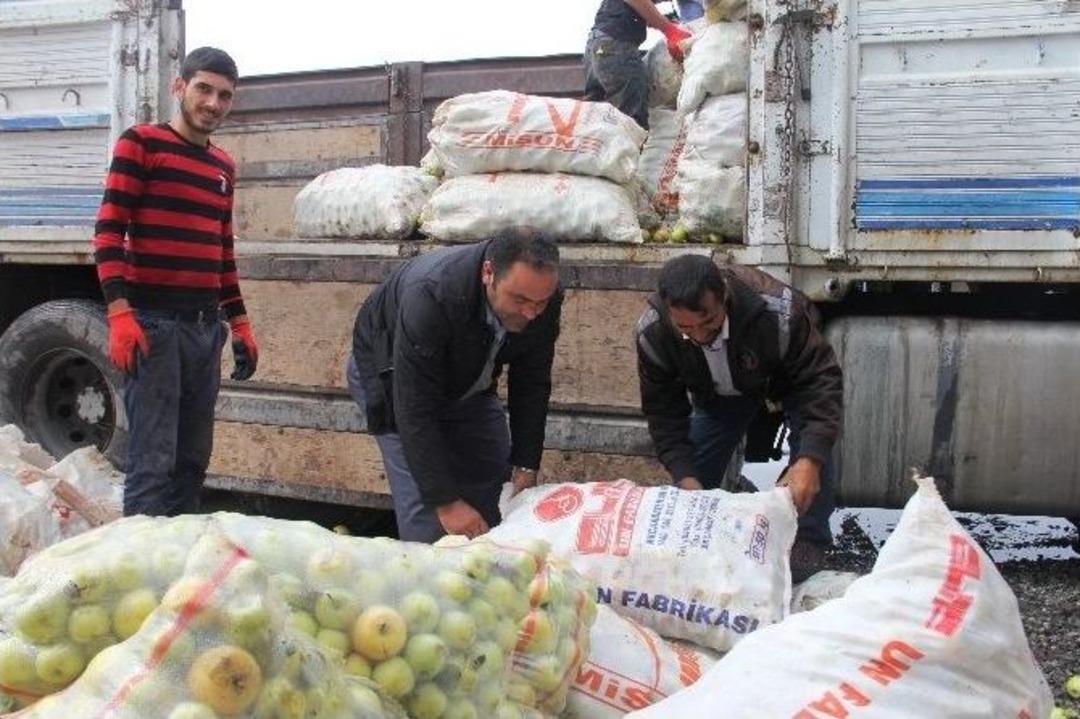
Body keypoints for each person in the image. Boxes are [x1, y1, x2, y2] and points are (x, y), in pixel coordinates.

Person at [93, 47, 258, 516]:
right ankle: (140, 555)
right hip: (154, 328)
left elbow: (222, 251)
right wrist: (120, 313)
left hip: (205, 330)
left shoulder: (223, 167)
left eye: (225, 95)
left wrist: (240, 324)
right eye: (204, 89)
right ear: (179, 86)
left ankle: (179, 553)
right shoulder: (142, 144)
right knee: (153, 463)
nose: (213, 103)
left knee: (191, 462)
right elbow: (108, 231)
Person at [635, 255, 843, 581]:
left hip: (787, 383)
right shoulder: (654, 333)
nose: (700, 336)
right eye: (686, 328)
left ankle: (809, 542)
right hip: (720, 396)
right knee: (691, 479)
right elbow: (663, 413)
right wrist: (684, 475)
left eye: (710, 323)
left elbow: (819, 385)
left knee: (812, 454)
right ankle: (713, 544)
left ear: (725, 296)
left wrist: (809, 460)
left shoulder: (778, 313)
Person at [347, 234, 563, 543]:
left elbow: (532, 381)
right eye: (519, 300)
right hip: (395, 378)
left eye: (539, 303)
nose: (531, 313)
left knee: (497, 485)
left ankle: (491, 567)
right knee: (428, 513)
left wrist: (526, 464)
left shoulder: (541, 293)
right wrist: (446, 503)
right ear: (488, 273)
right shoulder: (432, 294)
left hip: (468, 376)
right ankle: (426, 567)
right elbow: (414, 409)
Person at [584, 0, 693, 129]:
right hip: (615, 48)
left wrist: (662, 20)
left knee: (594, 120)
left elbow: (643, 10)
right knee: (633, 122)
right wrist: (668, 29)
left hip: (598, 47)